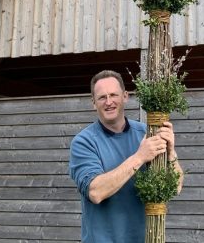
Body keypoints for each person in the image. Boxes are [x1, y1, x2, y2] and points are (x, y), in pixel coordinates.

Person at [69, 70, 184, 243]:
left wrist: (171, 153)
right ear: (93, 103)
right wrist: (139, 157)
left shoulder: (146, 134)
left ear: (125, 96)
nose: (109, 102)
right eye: (102, 97)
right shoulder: (84, 142)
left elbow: (175, 187)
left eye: (113, 95)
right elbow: (95, 192)